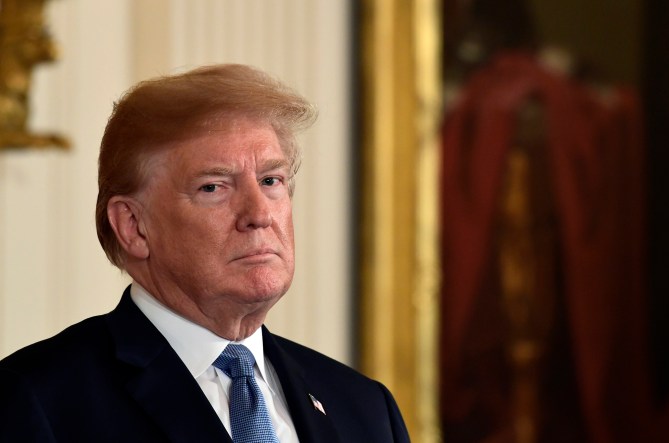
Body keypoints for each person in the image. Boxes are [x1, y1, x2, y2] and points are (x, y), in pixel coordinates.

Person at [0, 64, 410, 442]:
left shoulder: (366, 407)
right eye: (213, 187)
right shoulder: (35, 399)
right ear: (133, 226)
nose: (259, 214)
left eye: (270, 180)